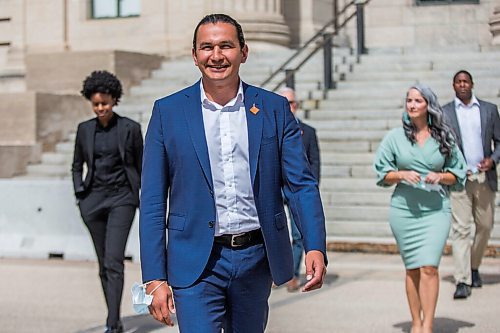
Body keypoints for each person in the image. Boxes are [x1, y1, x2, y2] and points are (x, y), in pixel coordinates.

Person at [139, 13, 327, 332]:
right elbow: (154, 200)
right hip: (195, 261)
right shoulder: (168, 112)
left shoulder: (273, 109)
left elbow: (301, 186)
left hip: (255, 259)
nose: (216, 55)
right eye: (207, 47)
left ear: (243, 51)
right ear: (195, 55)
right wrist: (154, 277)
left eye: (226, 46)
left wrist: (315, 244)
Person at [374, 84, 466, 333]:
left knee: (429, 267)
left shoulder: (444, 136)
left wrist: (440, 176)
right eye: (409, 100)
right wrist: (401, 174)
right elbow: (381, 172)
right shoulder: (395, 137)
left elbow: (459, 172)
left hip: (436, 211)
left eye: (418, 100)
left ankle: (427, 326)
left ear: (429, 105)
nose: (412, 105)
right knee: (413, 268)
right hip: (404, 210)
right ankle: (415, 322)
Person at [71, 70, 143, 333]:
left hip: (122, 199)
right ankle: (113, 316)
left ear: (114, 99)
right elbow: (77, 166)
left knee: (114, 260)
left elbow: (141, 166)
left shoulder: (131, 129)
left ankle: (113, 323)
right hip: (93, 202)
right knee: (103, 265)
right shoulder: (84, 130)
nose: (100, 108)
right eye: (96, 104)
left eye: (105, 103)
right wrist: (80, 194)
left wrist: (140, 197)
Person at [442, 70, 500, 300]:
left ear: (472, 84)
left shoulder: (489, 110)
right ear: (453, 85)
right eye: (459, 82)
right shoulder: (445, 113)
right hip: (459, 180)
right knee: (461, 230)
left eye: (466, 81)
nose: (463, 85)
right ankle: (462, 279)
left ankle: (474, 266)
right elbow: (442, 145)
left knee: (485, 226)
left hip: (484, 178)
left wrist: (493, 160)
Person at [278, 87, 320, 292]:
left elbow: (314, 163)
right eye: (284, 103)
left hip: (296, 191)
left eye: (292, 103)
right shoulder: (267, 128)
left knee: (297, 235)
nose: (289, 107)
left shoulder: (309, 132)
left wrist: (310, 194)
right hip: (275, 190)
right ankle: (275, 273)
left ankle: (292, 275)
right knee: (273, 234)